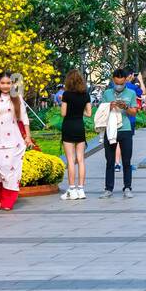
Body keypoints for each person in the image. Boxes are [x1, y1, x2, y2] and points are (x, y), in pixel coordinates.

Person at [0, 70, 35, 211]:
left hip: (14, 140)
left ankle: (8, 201)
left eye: (8, 83)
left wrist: (28, 137)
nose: (5, 86)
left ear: (12, 84)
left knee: (11, 169)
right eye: (2, 83)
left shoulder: (17, 98)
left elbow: (24, 119)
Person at [98, 68, 140, 199]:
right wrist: (109, 106)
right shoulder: (107, 93)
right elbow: (100, 110)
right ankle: (108, 188)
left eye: (122, 84)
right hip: (110, 130)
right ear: (113, 80)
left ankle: (127, 187)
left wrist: (125, 107)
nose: (119, 86)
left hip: (125, 129)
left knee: (126, 160)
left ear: (126, 81)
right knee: (109, 161)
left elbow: (134, 112)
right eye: (117, 83)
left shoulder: (131, 93)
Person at [59, 70, 91, 201]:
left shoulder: (66, 95)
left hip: (68, 127)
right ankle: (81, 189)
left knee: (71, 160)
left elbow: (63, 113)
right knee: (81, 159)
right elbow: (89, 113)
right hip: (79, 126)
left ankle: (72, 189)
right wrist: (80, 111)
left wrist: (63, 103)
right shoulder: (85, 95)